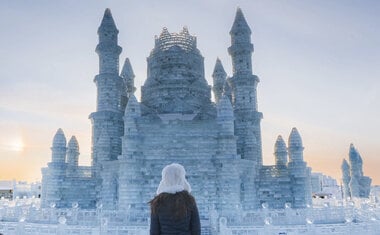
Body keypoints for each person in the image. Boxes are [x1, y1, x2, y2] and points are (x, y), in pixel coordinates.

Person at [149, 163, 201, 235]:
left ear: (165, 179)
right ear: (181, 178)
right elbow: (196, 230)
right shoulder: (189, 200)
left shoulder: (157, 202)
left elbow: (154, 232)